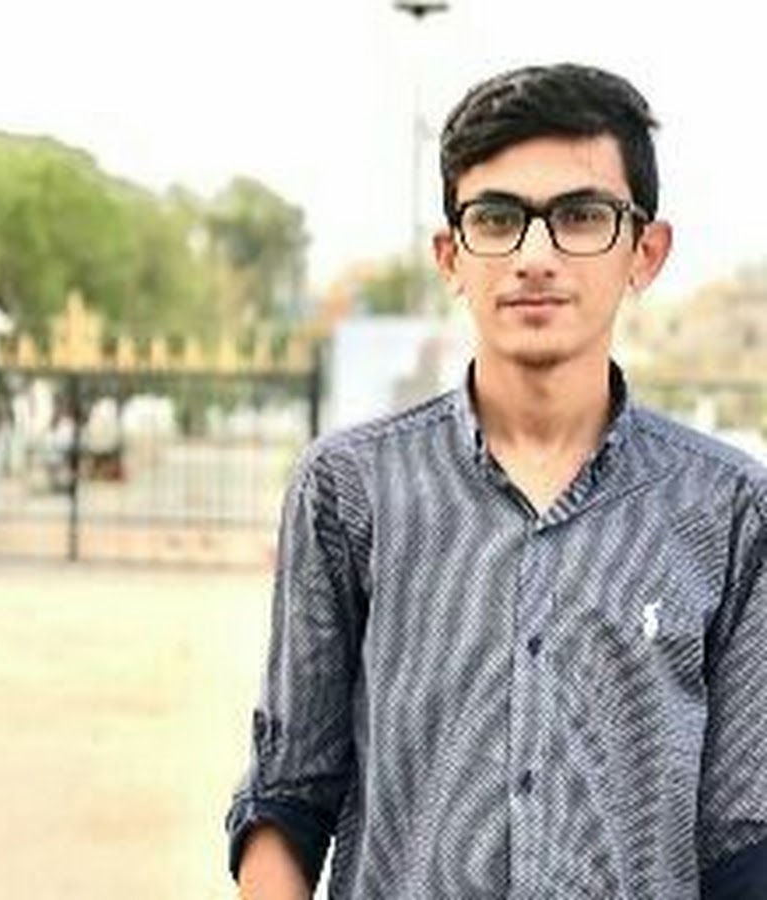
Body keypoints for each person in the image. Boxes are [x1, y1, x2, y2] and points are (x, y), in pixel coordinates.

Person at [225, 63, 767, 898]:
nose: (535, 256)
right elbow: (287, 793)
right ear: (451, 255)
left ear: (646, 252)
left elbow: (744, 839)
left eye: (582, 216)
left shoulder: (729, 509)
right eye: (498, 218)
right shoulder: (349, 492)